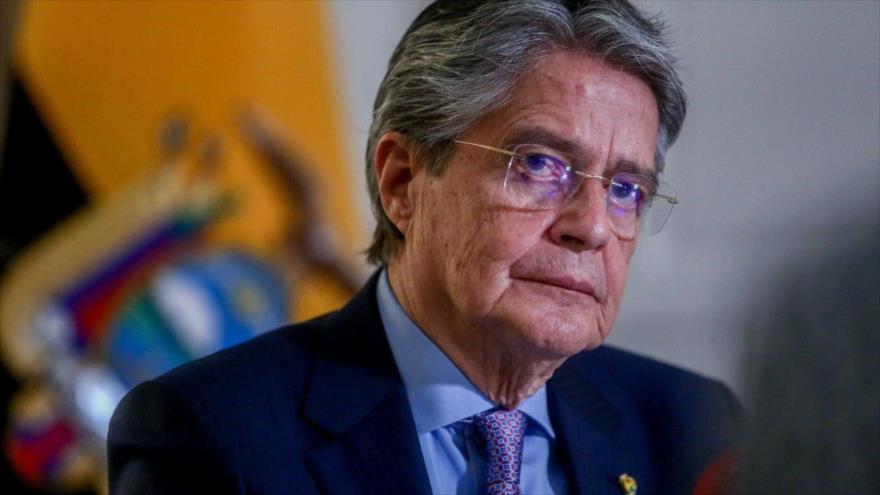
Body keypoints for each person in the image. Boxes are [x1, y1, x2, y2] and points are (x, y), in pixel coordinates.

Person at [108, 1, 743, 494]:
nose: (594, 227)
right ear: (403, 182)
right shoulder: (210, 433)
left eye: (627, 189)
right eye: (540, 164)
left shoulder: (691, 428)